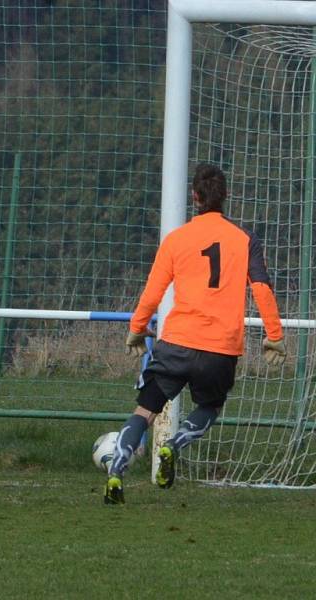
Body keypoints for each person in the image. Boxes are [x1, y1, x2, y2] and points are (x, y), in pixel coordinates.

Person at [104, 163, 286, 505]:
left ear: (195, 197)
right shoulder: (245, 240)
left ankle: (116, 469)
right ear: (226, 196)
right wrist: (273, 334)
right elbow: (261, 288)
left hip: (176, 343)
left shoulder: (176, 240)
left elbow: (152, 292)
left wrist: (136, 330)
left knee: (145, 411)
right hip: (220, 348)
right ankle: (174, 446)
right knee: (209, 406)